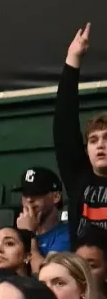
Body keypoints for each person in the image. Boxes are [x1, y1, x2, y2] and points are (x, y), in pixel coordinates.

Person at [54, 25, 106, 242]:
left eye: (106, 138)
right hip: (82, 270)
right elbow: (64, 123)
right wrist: (72, 59)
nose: (100, 145)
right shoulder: (79, 177)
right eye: (93, 140)